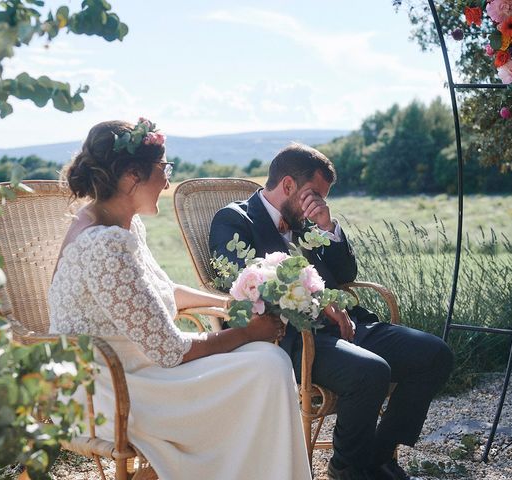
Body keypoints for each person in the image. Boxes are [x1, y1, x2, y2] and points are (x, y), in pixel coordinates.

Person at [48, 120, 311, 480]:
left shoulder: (121, 225)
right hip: (110, 388)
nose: (167, 181)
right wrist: (250, 332)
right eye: (163, 169)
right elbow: (170, 351)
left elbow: (164, 290)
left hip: (137, 369)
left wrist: (233, 305)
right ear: (130, 176)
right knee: (265, 366)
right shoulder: (103, 244)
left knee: (267, 361)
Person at [209, 143, 454, 480]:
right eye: (314, 194)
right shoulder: (234, 220)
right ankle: (348, 471)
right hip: (289, 337)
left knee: (434, 354)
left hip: (345, 325)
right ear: (289, 185)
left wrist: (326, 227)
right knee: (371, 372)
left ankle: (376, 457)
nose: (318, 204)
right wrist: (323, 301)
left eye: (323, 198)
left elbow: (346, 276)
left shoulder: (307, 218)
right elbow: (250, 284)